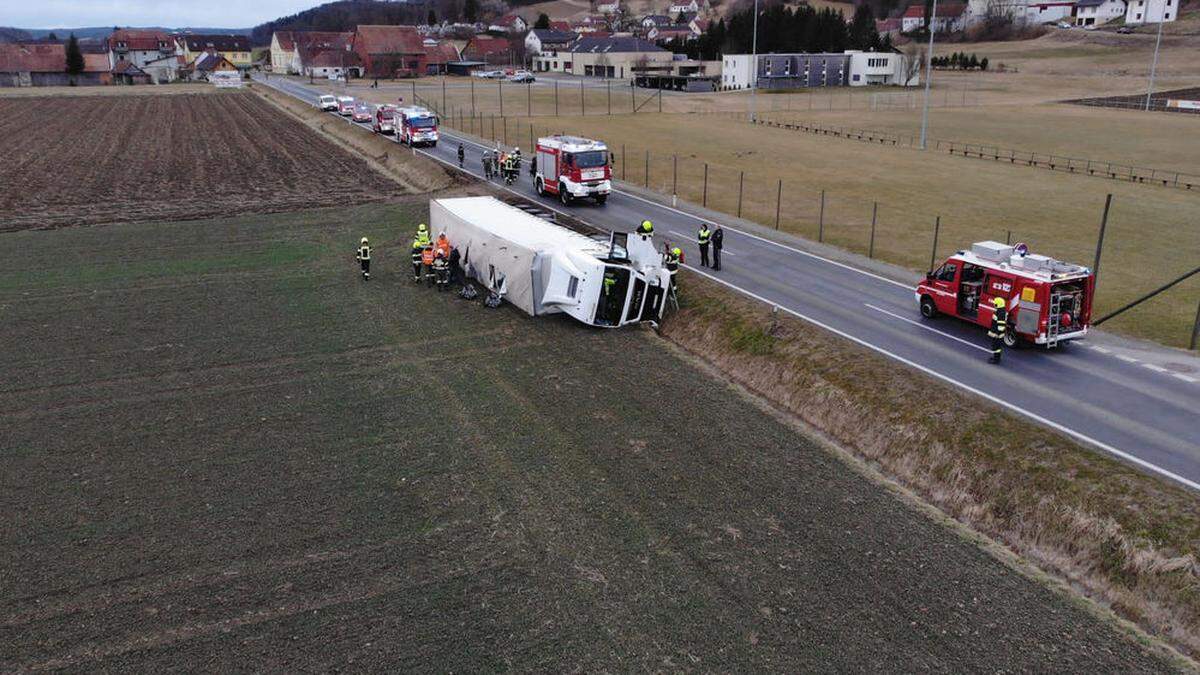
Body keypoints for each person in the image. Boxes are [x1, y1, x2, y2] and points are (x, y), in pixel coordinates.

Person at [988, 297, 1008, 364]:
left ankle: (996, 360)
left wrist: (997, 334)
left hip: (997, 334)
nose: (994, 305)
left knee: (996, 347)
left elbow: (1001, 326)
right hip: (997, 333)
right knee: (996, 346)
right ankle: (996, 358)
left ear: (998, 304)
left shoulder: (1000, 313)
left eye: (995, 304)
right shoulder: (1001, 310)